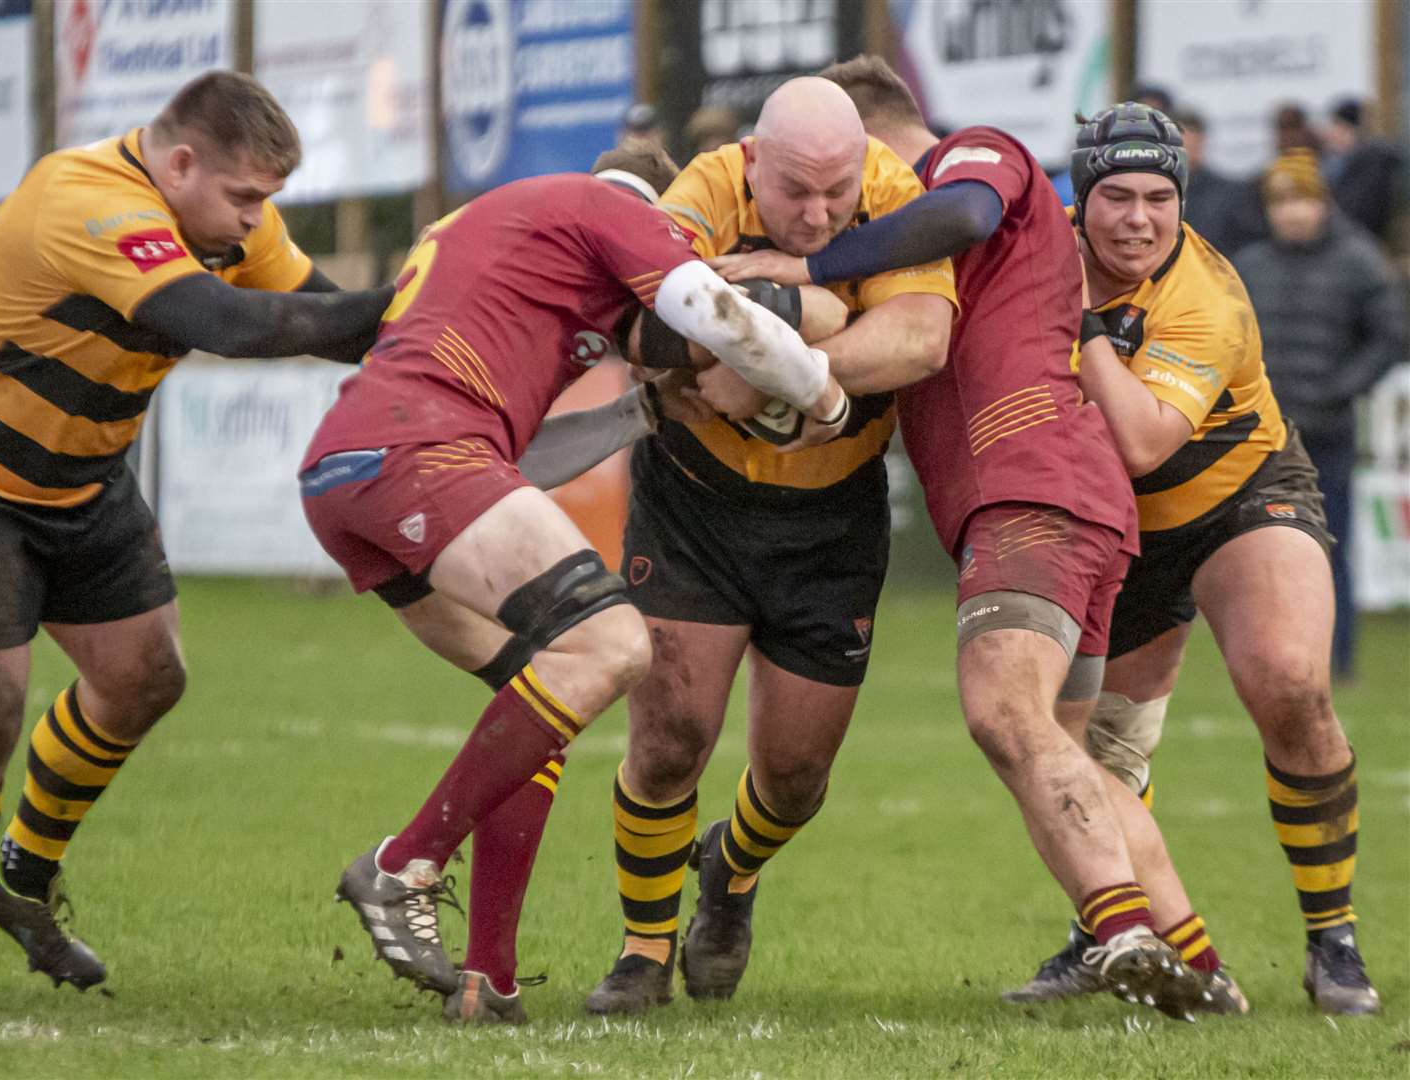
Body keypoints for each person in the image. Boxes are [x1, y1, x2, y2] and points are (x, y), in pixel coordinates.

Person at [0, 71, 399, 1014]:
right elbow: (229, 324)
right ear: (179, 163)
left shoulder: (232, 222)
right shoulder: (87, 200)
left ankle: (18, 878)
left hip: (81, 473)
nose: (254, 223)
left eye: (266, 203)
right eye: (243, 199)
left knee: (145, 677)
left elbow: (339, 325)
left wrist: (467, 315)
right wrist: (412, 296)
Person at [714, 59, 1231, 1018]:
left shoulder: (972, 157)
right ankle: (1200, 967)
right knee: (1068, 751)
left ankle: (1119, 931)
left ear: (872, 150)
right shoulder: (898, 257)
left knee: (1003, 712)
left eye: (845, 188)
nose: (834, 212)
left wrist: (807, 266)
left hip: (1028, 486)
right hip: (1068, 498)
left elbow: (960, 216)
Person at [301, 145, 851, 1025]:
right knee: (612, 644)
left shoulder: (491, 240)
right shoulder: (611, 210)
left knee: (544, 700)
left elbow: (517, 458)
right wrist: (823, 397)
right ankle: (403, 863)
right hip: (421, 448)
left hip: (347, 468)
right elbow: (711, 310)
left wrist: (643, 409)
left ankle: (489, 980)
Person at [581, 75, 962, 1016]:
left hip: (832, 520)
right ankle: (641, 952)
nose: (822, 213)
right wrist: (811, 321)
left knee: (794, 778)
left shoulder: (891, 193)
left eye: (837, 193)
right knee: (671, 738)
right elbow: (642, 326)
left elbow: (918, 340)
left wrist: (775, 357)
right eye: (797, 192)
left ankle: (732, 870)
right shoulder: (704, 191)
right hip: (694, 502)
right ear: (756, 163)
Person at [1016, 103, 1381, 1016]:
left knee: (1292, 683)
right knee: (1092, 752)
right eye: (1116, 197)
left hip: (1238, 497)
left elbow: (1143, 439)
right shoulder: (1037, 249)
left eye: (1159, 197)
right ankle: (1107, 929)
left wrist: (1083, 321)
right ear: (1080, 197)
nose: (1139, 218)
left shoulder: (1206, 296)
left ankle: (1332, 939)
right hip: (1115, 526)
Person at [1231, 150, 1407, 680]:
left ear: (1322, 203)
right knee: (1262, 553)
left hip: (1327, 433)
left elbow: (1392, 336)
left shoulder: (1359, 260)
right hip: (1261, 436)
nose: (1293, 212)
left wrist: (1341, 389)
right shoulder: (1250, 266)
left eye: (1303, 199)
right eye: (1282, 201)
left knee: (1330, 549)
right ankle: (1273, 657)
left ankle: (1338, 659)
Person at [1175, 109, 1266, 256]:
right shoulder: (1150, 194)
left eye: (1191, 145)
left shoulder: (1231, 194)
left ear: (1202, 141)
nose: (1186, 152)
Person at [1319, 98, 1406, 244]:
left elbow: (1359, 215)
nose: (1330, 134)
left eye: (1338, 127)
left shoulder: (1373, 165)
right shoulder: (1339, 162)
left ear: (1351, 131)